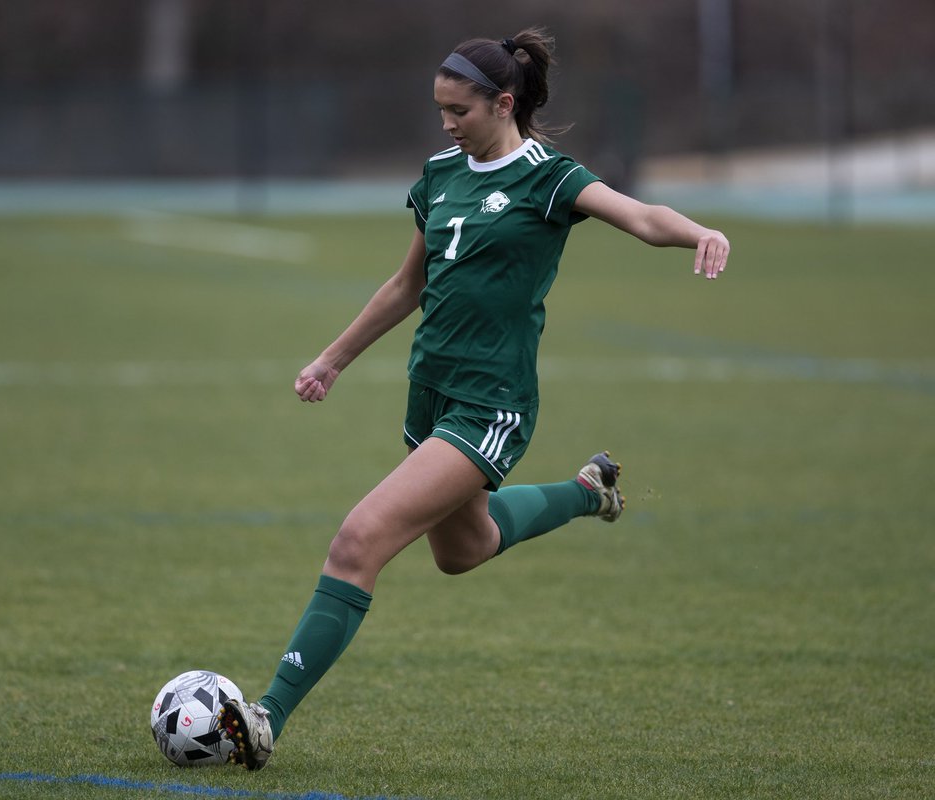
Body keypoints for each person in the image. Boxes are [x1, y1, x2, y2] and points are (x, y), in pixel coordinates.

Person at [215, 27, 729, 770]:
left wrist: (699, 233)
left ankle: (265, 717)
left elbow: (641, 217)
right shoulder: (440, 174)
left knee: (358, 542)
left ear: (504, 103)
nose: (448, 123)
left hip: (491, 405)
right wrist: (333, 359)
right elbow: (407, 285)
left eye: (459, 109)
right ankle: (589, 492)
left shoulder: (549, 178)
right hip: (431, 396)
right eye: (440, 111)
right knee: (464, 550)